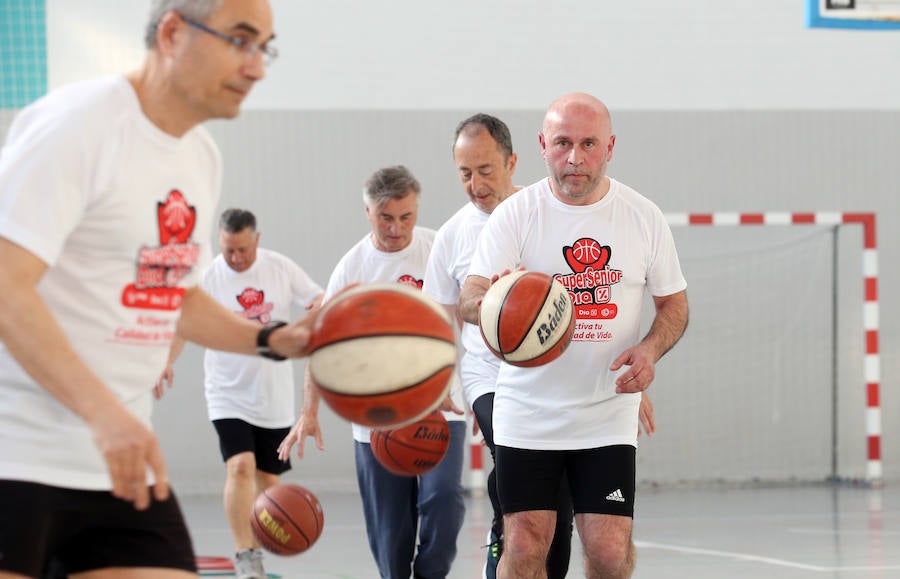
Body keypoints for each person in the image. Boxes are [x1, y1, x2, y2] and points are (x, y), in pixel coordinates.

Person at [0, 2, 319, 578]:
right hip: (16, 454)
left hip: (120, 465)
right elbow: (5, 284)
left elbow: (177, 294)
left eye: (264, 47)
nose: (257, 68)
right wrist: (103, 414)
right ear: (172, 32)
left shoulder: (199, 157)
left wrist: (276, 339)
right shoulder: (78, 124)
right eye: (241, 41)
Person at [458, 93, 688, 579]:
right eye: (563, 143)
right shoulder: (516, 215)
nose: (575, 157)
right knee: (523, 544)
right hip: (527, 408)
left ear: (610, 146)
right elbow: (468, 299)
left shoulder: (642, 216)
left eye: (588, 144)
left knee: (607, 549)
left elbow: (674, 304)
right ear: (543, 145)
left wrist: (649, 351)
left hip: (606, 410)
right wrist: (496, 300)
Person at [278, 165, 467, 579]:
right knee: (391, 537)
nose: (397, 229)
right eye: (386, 217)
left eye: (406, 217)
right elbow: (321, 342)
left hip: (440, 405)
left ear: (417, 210)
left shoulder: (438, 249)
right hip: (375, 419)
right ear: (368, 211)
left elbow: (469, 317)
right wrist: (309, 411)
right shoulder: (353, 268)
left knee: (444, 501)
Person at [155, 208, 323, 579]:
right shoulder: (209, 276)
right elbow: (184, 326)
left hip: (273, 394)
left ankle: (264, 537)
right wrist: (167, 360)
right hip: (226, 391)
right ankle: (245, 553)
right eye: (229, 250)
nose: (236, 258)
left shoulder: (279, 268)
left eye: (243, 250)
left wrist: (315, 314)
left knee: (268, 482)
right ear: (220, 243)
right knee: (240, 465)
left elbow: (318, 299)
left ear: (256, 240)